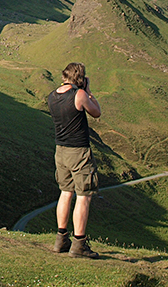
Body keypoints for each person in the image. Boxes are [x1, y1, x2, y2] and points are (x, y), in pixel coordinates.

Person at [47, 62, 102, 258]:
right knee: (83, 195)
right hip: (78, 151)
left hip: (60, 150)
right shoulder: (78, 96)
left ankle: (61, 239)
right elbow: (96, 112)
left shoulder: (52, 96)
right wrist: (89, 92)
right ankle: (79, 243)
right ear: (79, 78)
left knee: (65, 192)